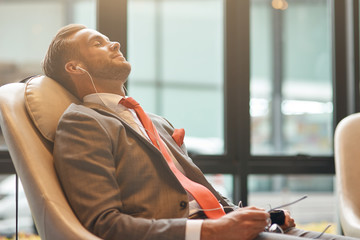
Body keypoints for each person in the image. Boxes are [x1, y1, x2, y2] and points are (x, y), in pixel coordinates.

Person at [42, 24, 357, 240]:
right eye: (97, 43)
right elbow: (103, 225)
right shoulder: (82, 122)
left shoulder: (154, 121)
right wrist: (211, 232)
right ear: (75, 68)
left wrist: (253, 216)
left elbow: (194, 194)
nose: (115, 43)